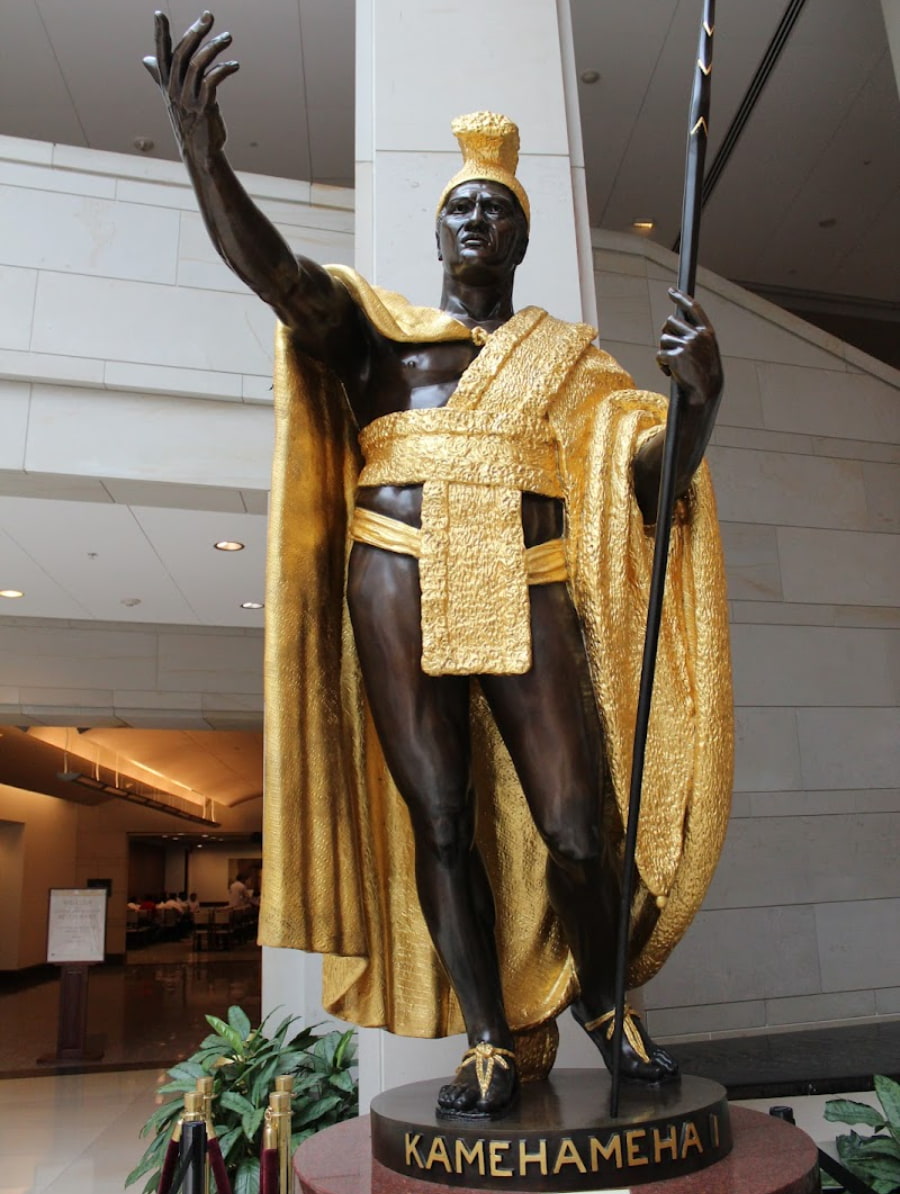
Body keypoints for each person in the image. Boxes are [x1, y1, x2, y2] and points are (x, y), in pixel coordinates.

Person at [146, 12, 733, 1119]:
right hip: (396, 572)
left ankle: (604, 1007)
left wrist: (697, 401)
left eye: (496, 209)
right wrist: (203, 154)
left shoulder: (572, 364)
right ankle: (485, 1038)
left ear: (517, 238)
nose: (475, 216)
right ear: (439, 233)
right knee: (444, 819)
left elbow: (655, 489)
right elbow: (273, 273)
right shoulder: (381, 334)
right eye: (461, 204)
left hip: (530, 575)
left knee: (574, 821)